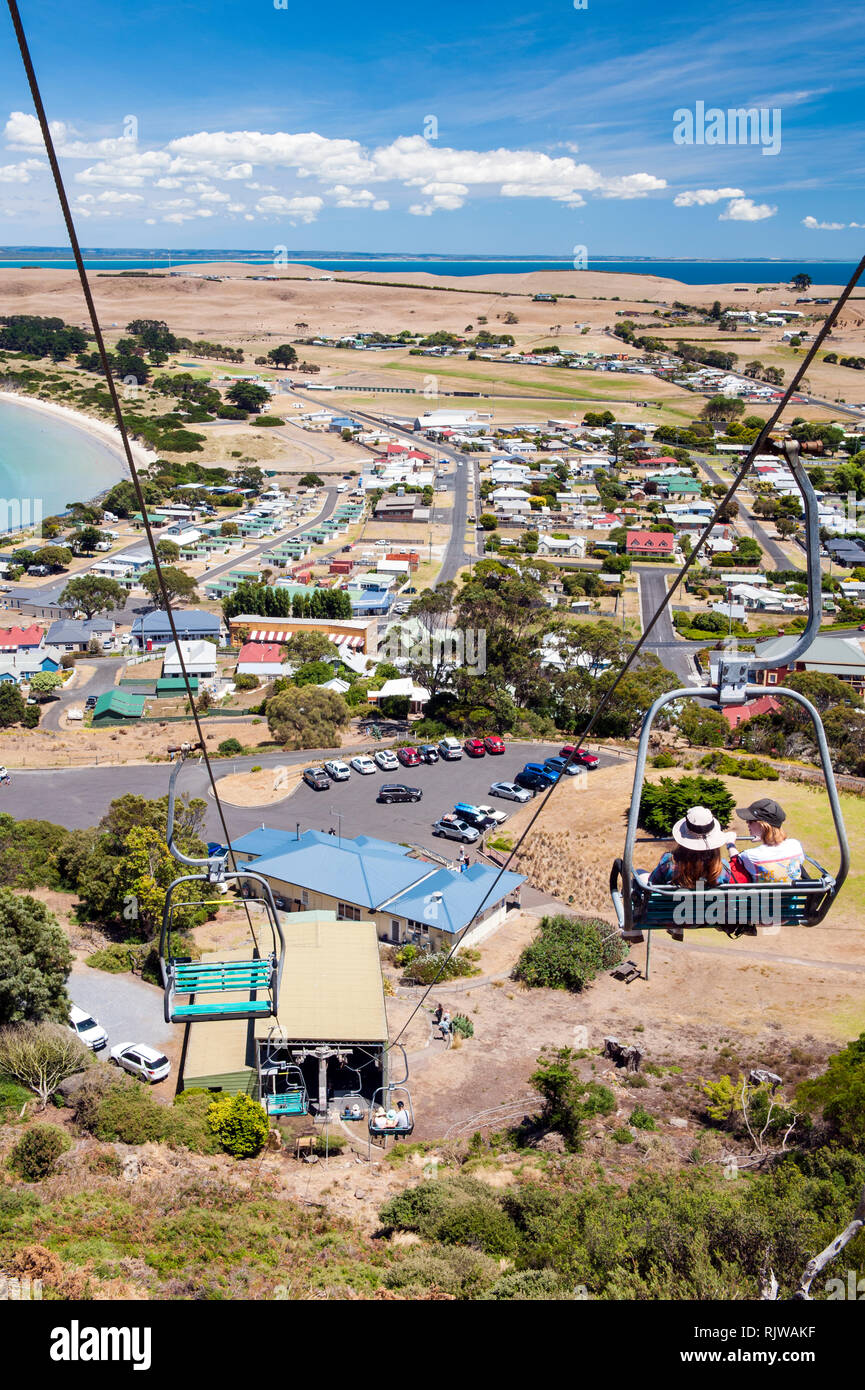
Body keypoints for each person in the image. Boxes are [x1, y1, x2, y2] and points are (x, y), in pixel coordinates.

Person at [647, 806, 732, 889]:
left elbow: (652, 884)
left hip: (673, 903)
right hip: (707, 903)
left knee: (640, 873)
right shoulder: (723, 867)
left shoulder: (668, 862)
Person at [729, 798, 805, 883]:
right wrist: (764, 836)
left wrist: (730, 844)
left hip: (764, 896)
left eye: (750, 821)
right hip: (792, 896)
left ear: (763, 826)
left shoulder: (750, 856)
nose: (747, 823)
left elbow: (735, 865)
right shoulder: (796, 846)